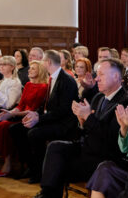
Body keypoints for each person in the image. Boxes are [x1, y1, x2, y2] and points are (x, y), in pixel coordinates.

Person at [17, 59, 128, 198]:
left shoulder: (127, 102)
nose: (97, 79)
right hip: (88, 151)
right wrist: (82, 121)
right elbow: (87, 131)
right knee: (56, 148)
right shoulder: (98, 98)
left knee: (58, 169)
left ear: (116, 77)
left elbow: (113, 140)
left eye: (101, 74)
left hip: (106, 160)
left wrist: (87, 118)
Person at [9, 50, 79, 183]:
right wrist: (35, 113)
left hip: (63, 123)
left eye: (43, 61)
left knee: (34, 133)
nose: (41, 64)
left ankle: (40, 172)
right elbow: (47, 104)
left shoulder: (66, 80)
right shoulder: (52, 77)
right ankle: (31, 166)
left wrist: (39, 119)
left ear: (48, 62)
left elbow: (63, 110)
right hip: (51, 118)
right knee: (16, 129)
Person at [0, 60, 49, 177]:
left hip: (31, 118)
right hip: (21, 115)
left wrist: (11, 114)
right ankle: (8, 161)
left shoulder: (44, 87)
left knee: (11, 128)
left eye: (33, 68)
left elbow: (33, 110)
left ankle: (19, 164)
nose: (29, 70)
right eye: (30, 68)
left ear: (40, 71)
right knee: (2, 125)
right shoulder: (28, 85)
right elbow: (20, 106)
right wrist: (9, 112)